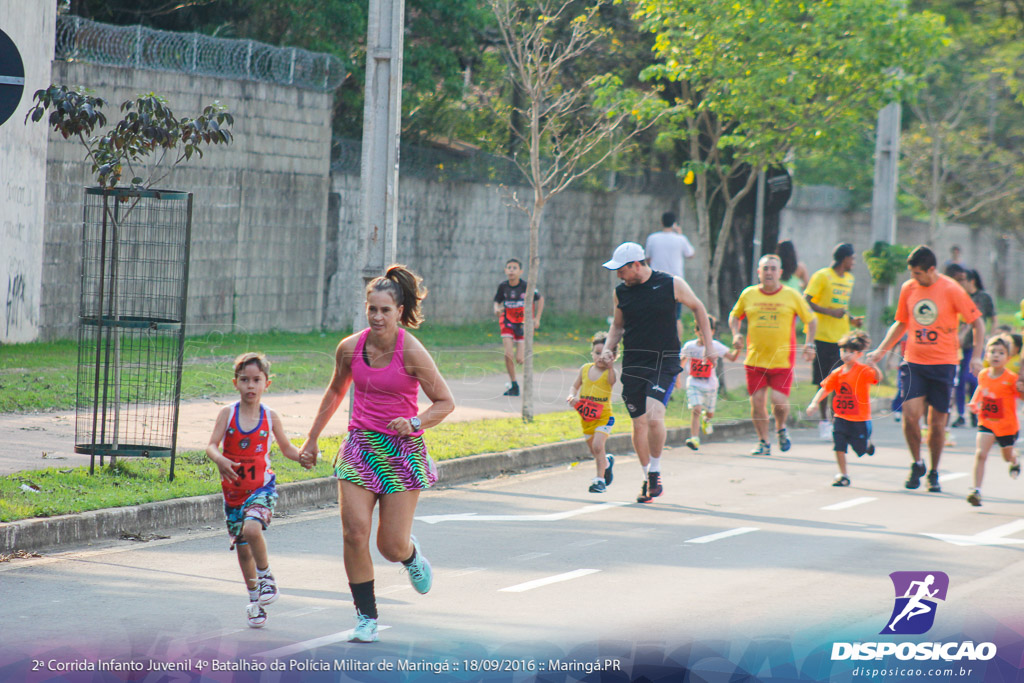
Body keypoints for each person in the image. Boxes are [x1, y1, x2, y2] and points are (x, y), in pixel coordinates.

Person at [298, 265, 455, 643]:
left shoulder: (412, 351)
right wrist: (312, 438)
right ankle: (366, 616)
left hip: (402, 452)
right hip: (360, 446)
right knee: (354, 533)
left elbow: (445, 402)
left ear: (400, 311)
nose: (378, 316)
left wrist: (416, 423)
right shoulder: (350, 347)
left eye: (385, 310)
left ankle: (411, 556)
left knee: (390, 545)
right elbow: (335, 392)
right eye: (372, 309)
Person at [601, 241, 714, 504]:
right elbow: (618, 326)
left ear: (637, 265)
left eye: (621, 269)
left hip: (665, 360)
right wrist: (609, 348)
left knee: (654, 414)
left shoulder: (671, 284)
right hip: (633, 361)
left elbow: (698, 307)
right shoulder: (621, 292)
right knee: (638, 422)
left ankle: (655, 470)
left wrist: (708, 346)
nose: (618, 274)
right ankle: (646, 477)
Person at [205, 352, 312, 629]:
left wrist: (301, 456)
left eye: (256, 380)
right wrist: (220, 460)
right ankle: (254, 600)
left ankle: (266, 578)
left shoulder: (270, 416)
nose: (250, 386)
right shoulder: (227, 414)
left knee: (253, 530)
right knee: (243, 550)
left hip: (261, 489)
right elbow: (211, 446)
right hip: (233, 494)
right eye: (244, 380)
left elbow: (287, 448)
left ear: (267, 383)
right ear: (235, 383)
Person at [866, 245, 983, 493]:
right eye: (911, 273)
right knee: (910, 415)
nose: (913, 278)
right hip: (914, 362)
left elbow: (977, 323)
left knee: (937, 424)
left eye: (918, 273)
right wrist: (882, 350)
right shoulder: (908, 289)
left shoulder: (952, 289)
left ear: (931, 269)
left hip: (944, 364)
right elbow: (900, 323)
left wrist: (976, 355)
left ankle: (933, 471)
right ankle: (916, 462)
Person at [729, 254, 818, 456]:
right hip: (755, 359)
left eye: (772, 268)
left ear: (780, 273)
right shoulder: (749, 294)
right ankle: (763, 442)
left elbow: (811, 320)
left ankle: (780, 428)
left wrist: (809, 343)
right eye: (765, 268)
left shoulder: (792, 295)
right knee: (758, 403)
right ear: (759, 272)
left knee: (778, 401)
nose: (769, 272)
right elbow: (735, 315)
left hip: (781, 361)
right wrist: (736, 334)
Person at [804, 243, 864, 440]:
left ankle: (837, 420)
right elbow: (807, 300)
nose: (853, 262)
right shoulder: (822, 276)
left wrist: (852, 319)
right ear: (844, 258)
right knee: (824, 380)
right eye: (852, 258)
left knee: (841, 382)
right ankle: (823, 421)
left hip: (842, 339)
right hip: (822, 337)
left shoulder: (849, 279)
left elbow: (842, 308)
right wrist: (830, 312)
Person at [805, 330, 880, 487]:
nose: (847, 354)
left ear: (859, 354)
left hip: (860, 419)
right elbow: (825, 388)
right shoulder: (837, 373)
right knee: (839, 445)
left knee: (859, 449)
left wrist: (875, 366)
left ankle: (866, 445)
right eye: (844, 351)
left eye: (851, 352)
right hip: (840, 417)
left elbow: (876, 379)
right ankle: (843, 474)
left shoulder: (863, 370)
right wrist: (814, 403)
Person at [966, 335, 1023, 506]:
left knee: (1006, 457)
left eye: (1001, 353)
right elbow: (981, 389)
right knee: (981, 454)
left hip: (1007, 426)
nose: (996, 356)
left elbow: (1021, 397)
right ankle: (976, 490)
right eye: (992, 352)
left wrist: (1021, 390)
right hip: (987, 422)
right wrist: (974, 402)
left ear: (1008, 357)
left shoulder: (1012, 378)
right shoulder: (983, 374)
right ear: (986, 355)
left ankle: (1014, 460)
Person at [567, 332, 618, 493]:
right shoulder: (585, 369)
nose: (600, 358)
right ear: (592, 353)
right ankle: (607, 463)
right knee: (595, 451)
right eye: (597, 353)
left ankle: (599, 481)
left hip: (604, 416)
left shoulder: (610, 373)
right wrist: (571, 396)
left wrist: (610, 367)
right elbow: (575, 385)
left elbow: (612, 382)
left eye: (605, 355)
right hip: (586, 417)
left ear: (613, 356)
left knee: (598, 446)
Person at [679, 315, 740, 450]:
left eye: (706, 330)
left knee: (709, 412)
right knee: (696, 409)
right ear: (696, 331)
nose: (702, 333)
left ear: (712, 331)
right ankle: (694, 438)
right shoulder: (690, 346)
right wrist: (676, 377)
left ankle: (707, 420)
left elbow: (732, 358)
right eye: (700, 330)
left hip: (711, 384)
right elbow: (681, 363)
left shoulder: (716, 346)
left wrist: (738, 347)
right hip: (694, 382)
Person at [951, 269, 996, 428]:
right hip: (959, 344)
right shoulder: (960, 296)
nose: (960, 283)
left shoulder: (984, 297)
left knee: (973, 378)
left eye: (963, 280)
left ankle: (974, 412)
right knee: (960, 381)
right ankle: (961, 414)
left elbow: (993, 318)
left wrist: (991, 337)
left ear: (972, 281)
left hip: (976, 345)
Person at [493, 258, 544, 397]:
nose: (511, 270)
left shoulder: (526, 286)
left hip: (523, 323)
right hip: (507, 321)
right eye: (509, 267)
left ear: (520, 271)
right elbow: (497, 302)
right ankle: (514, 384)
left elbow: (540, 299)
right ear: (505, 270)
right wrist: (497, 309)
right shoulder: (503, 286)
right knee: (508, 354)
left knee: (520, 359)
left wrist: (537, 318)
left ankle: (527, 383)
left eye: (514, 268)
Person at [645, 211, 696, 340]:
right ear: (674, 223)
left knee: (655, 314)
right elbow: (690, 254)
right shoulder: (680, 239)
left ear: (661, 222)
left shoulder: (653, 238)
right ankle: (676, 346)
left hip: (656, 280)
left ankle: (656, 342)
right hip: (676, 282)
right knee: (676, 317)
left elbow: (647, 259)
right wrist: (679, 234)